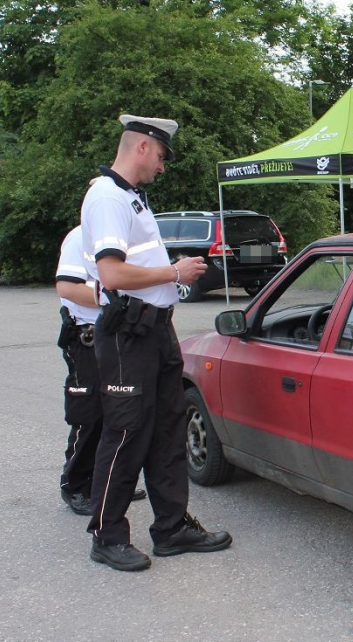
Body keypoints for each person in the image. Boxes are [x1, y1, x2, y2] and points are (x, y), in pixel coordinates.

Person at [79, 113, 231, 572]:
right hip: (129, 334)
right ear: (142, 146)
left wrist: (168, 287)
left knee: (168, 429)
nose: (162, 166)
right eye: (161, 156)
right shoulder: (107, 197)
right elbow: (112, 274)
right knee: (126, 433)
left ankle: (171, 527)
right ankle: (107, 536)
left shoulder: (130, 198)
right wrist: (174, 273)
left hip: (154, 328)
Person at [55, 225, 146, 516]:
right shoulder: (80, 237)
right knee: (89, 414)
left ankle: (110, 482)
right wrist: (110, 296)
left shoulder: (128, 239)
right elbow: (67, 286)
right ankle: (77, 485)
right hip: (88, 336)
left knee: (120, 413)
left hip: (122, 336)